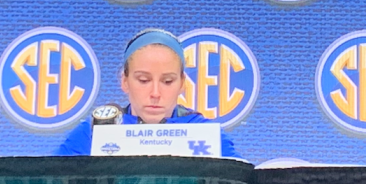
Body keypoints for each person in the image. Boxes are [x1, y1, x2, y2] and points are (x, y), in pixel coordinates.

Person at [57, 29, 241, 158]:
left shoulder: (206, 134)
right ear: (124, 81)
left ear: (182, 83)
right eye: (143, 81)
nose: (155, 93)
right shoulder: (94, 132)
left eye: (167, 81)